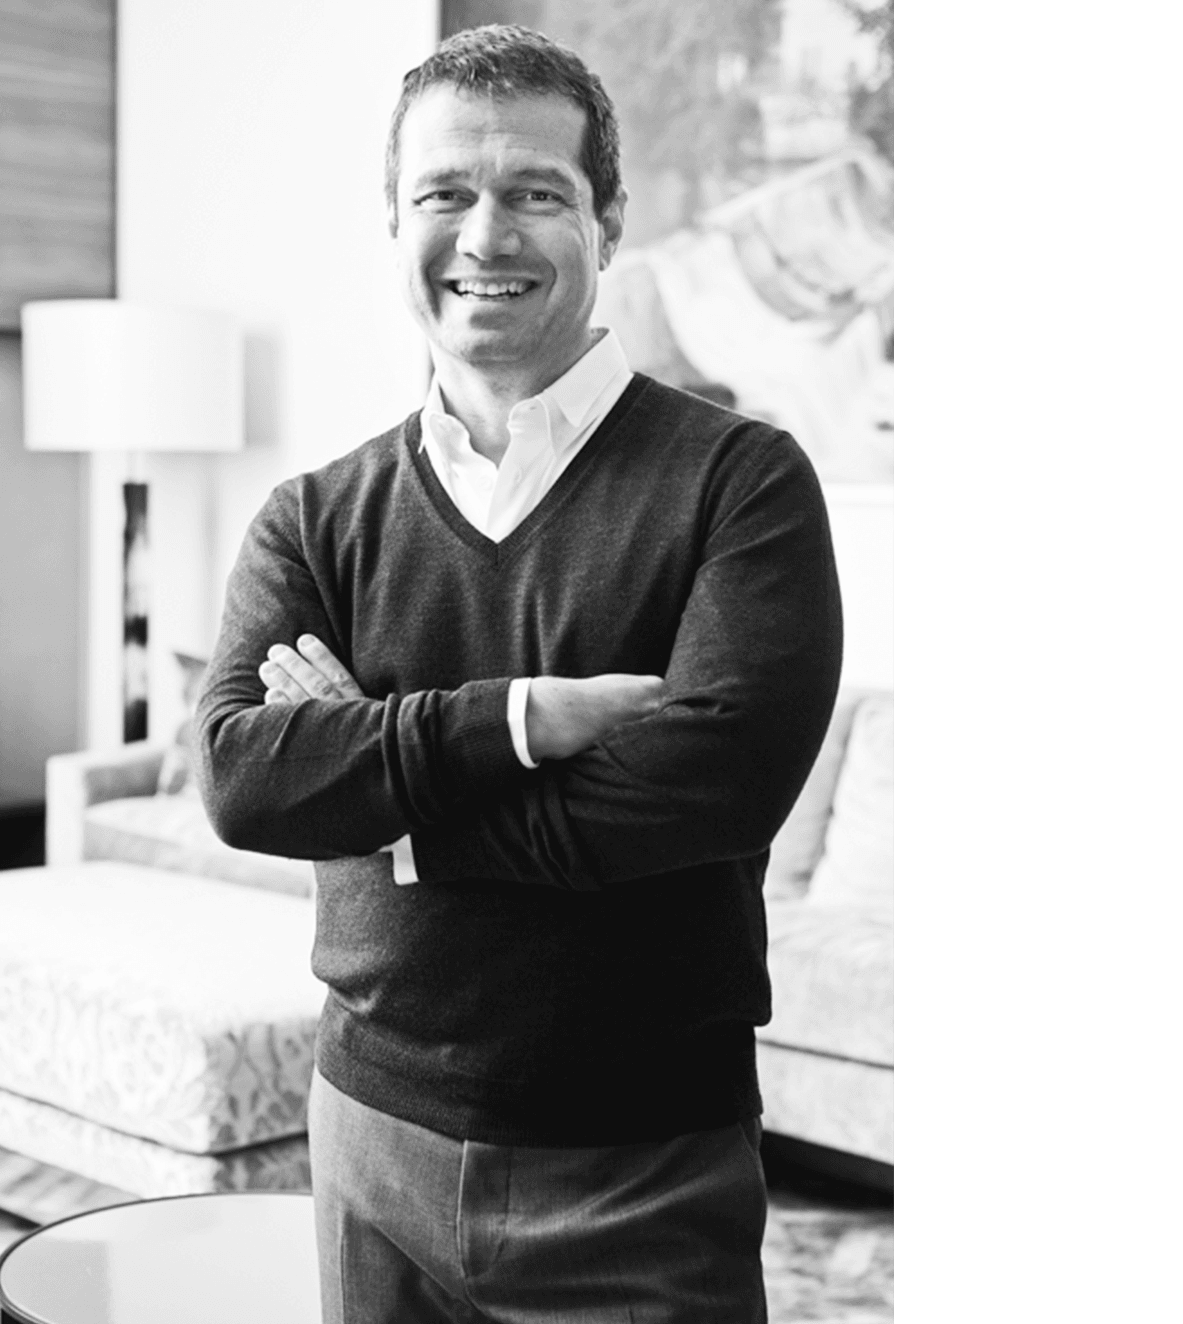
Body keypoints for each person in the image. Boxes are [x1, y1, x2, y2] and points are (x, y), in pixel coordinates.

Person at [196, 22, 843, 1324]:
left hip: (641, 1171)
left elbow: (708, 791)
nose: (485, 235)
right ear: (395, 221)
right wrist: (522, 720)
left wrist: (383, 797)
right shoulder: (311, 518)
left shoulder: (743, 482)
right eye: (444, 192)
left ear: (609, 220)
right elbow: (241, 781)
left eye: (536, 193)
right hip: (368, 1142)